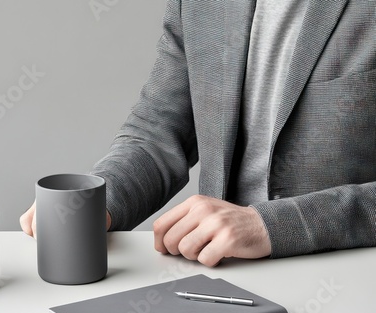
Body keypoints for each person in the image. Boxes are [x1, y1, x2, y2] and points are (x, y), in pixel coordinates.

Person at [21, 0, 376, 266]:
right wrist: (96, 199)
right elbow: (157, 132)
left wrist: (274, 225)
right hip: (220, 275)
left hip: (346, 285)